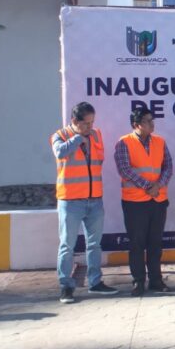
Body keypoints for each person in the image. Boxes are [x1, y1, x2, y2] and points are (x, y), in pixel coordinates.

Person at [52, 102, 118, 303]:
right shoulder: (60, 136)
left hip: (94, 199)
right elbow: (60, 153)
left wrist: (87, 136)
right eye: (86, 123)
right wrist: (78, 138)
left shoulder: (96, 135)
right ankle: (66, 287)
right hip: (70, 201)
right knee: (67, 246)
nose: (91, 127)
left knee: (94, 244)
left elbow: (99, 159)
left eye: (92, 122)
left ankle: (95, 282)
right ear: (75, 121)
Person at [115, 107, 173, 296]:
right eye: (148, 121)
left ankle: (156, 280)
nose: (152, 123)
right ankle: (138, 281)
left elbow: (168, 167)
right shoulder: (124, 142)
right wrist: (148, 185)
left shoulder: (160, 142)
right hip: (135, 203)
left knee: (155, 243)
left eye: (152, 119)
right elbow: (125, 169)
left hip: (158, 200)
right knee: (137, 244)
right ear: (136, 125)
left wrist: (158, 186)